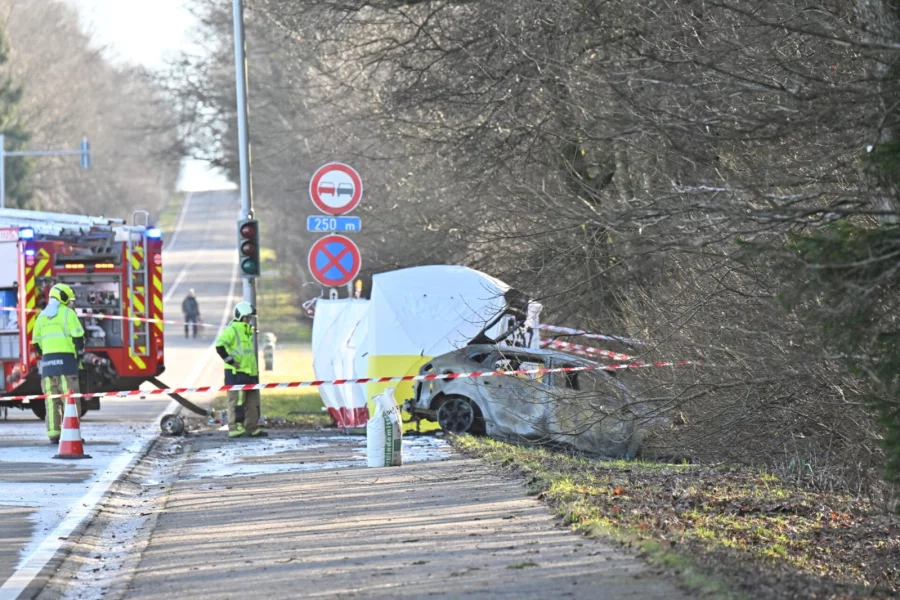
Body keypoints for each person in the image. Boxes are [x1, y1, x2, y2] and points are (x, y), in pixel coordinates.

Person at [32, 283, 85, 444]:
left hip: (47, 367)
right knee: (70, 400)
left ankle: (54, 434)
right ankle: (73, 434)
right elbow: (78, 337)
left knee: (51, 400)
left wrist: (47, 356)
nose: (71, 303)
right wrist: (78, 355)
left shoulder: (41, 317)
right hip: (66, 365)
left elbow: (36, 343)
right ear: (63, 298)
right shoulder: (68, 314)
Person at [215, 301, 267, 439]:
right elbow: (219, 346)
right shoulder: (232, 330)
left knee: (252, 401)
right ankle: (235, 428)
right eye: (247, 317)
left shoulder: (247, 330)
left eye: (250, 317)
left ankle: (252, 427)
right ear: (240, 316)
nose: (249, 320)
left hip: (250, 372)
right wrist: (231, 362)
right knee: (237, 401)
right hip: (236, 373)